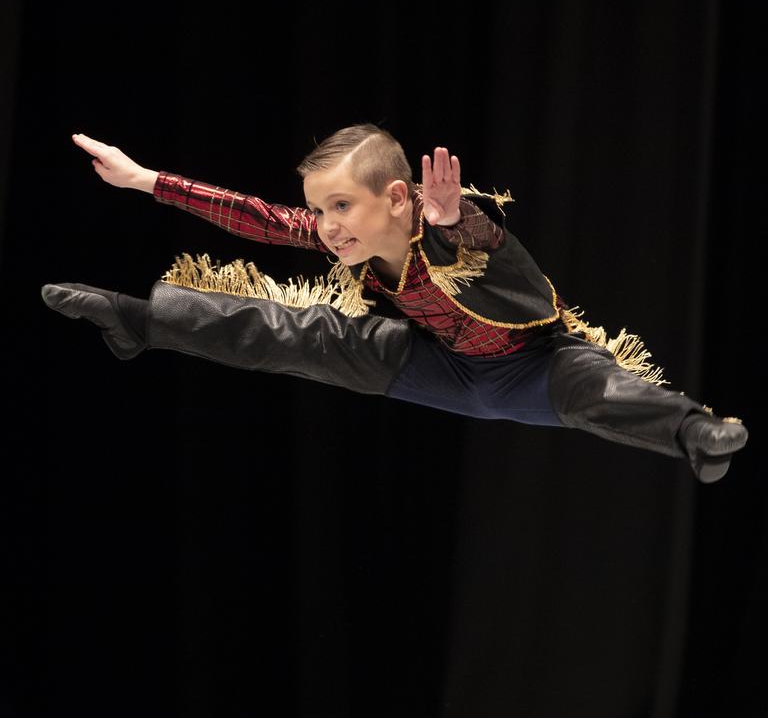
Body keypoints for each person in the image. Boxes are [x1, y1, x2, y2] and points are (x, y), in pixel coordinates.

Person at [41, 125, 748, 483]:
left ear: (398, 197)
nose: (327, 224)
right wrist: (144, 180)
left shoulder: (451, 230)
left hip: (533, 367)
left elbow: (488, 245)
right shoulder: (339, 237)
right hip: (437, 368)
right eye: (320, 210)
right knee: (303, 331)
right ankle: (140, 321)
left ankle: (696, 438)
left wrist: (451, 221)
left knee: (602, 387)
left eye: (341, 205)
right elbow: (252, 215)